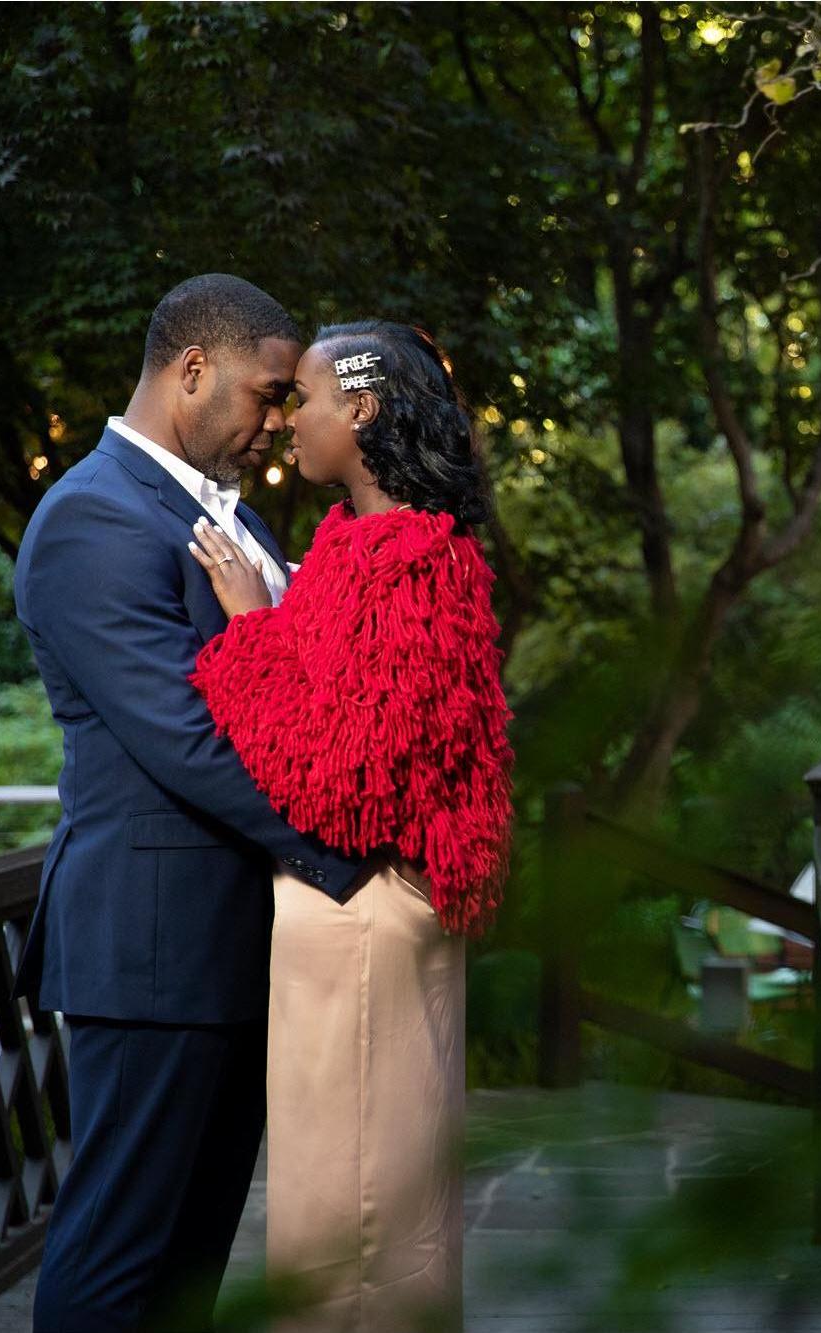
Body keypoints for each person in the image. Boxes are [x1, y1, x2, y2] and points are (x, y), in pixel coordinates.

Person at [13, 274, 374, 1332]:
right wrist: (348, 853)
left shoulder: (230, 516)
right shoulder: (93, 517)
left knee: (191, 1259)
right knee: (118, 1252)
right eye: (267, 394)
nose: (277, 419)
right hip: (152, 945)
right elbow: (188, 738)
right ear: (193, 369)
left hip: (226, 942)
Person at [184, 319, 514, 1332]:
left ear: (362, 409)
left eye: (308, 400)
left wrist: (249, 626)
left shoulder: (413, 562)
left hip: (368, 909)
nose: (289, 422)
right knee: (356, 1198)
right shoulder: (354, 546)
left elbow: (341, 779)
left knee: (354, 1209)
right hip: (354, 910)